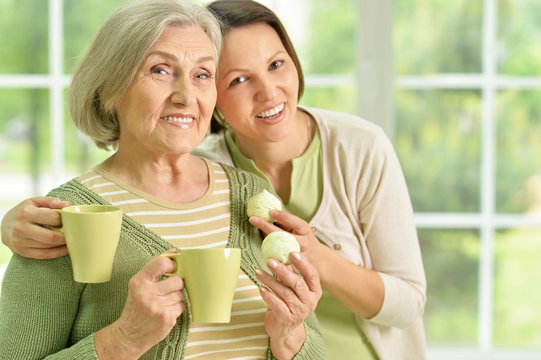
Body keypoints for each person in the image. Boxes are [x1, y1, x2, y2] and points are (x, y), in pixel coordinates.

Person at [1, 0, 426, 359]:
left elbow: (308, 342)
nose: (187, 95)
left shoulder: (251, 194)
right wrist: (121, 340)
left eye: (202, 74)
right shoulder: (64, 221)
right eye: (161, 70)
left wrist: (290, 335)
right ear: (109, 87)